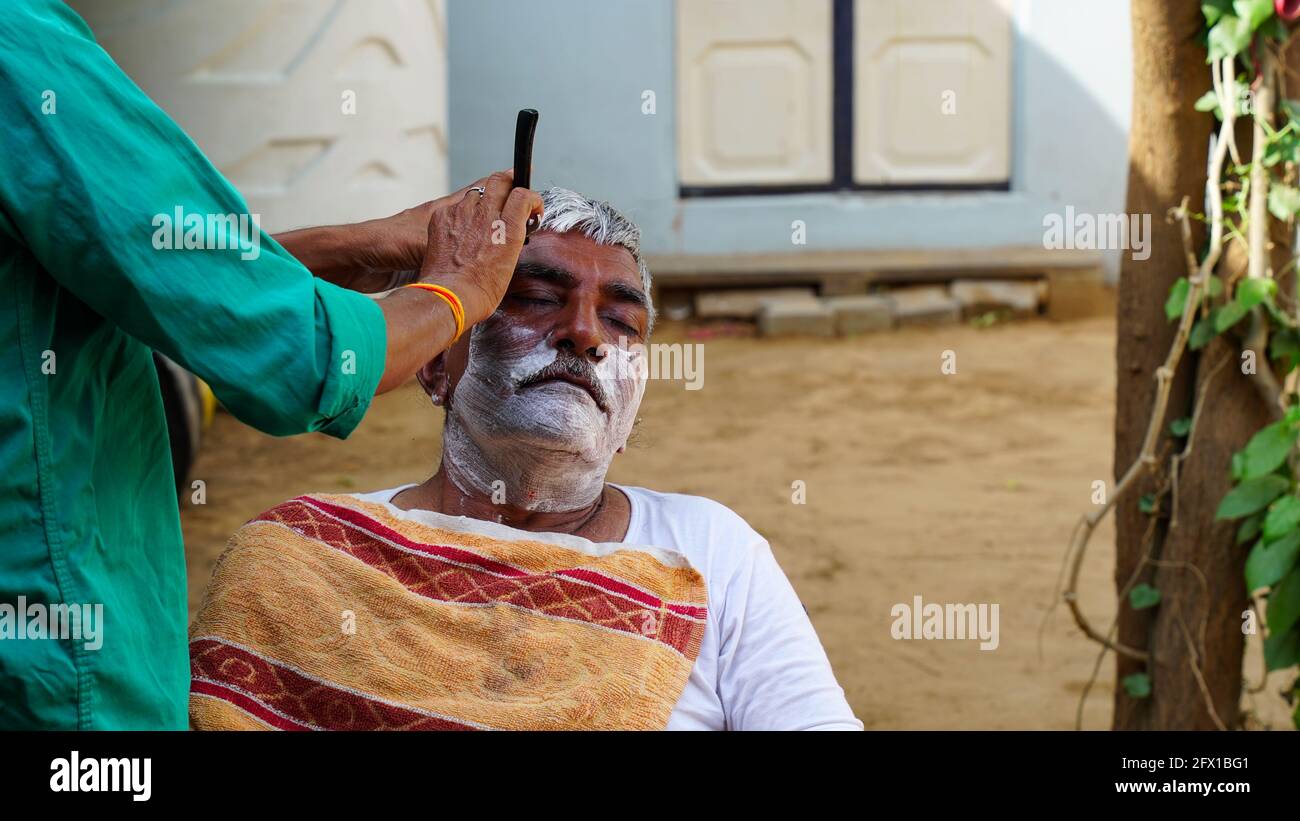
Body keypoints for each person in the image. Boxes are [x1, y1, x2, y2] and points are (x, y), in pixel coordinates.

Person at [0, 0, 541, 729]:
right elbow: (302, 357)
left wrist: (363, 248)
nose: (581, 338)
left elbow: (148, 269)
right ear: (438, 374)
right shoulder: (17, 50)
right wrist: (458, 289)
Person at [189, 188, 862, 731]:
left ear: (632, 406)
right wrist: (362, 242)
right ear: (433, 365)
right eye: (536, 299)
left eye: (623, 321)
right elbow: (162, 297)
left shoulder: (713, 552)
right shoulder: (300, 557)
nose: (585, 333)